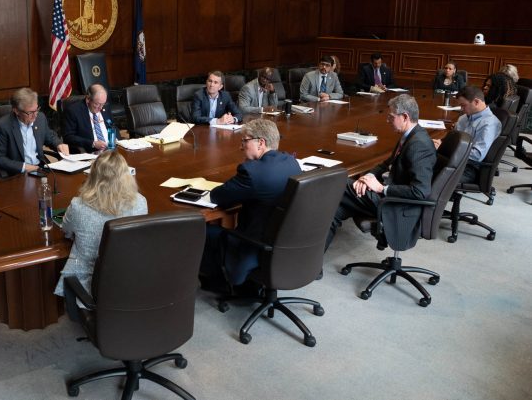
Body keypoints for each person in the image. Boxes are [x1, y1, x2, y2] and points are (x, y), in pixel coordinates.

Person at [326, 94, 436, 251]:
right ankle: (313, 265)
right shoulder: (410, 135)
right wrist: (368, 176)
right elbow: (386, 164)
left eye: (391, 117)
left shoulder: (419, 145)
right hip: (389, 195)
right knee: (336, 209)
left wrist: (380, 188)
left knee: (339, 182)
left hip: (396, 205)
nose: (387, 120)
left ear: (405, 117)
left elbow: (420, 191)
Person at [200, 119, 301, 289]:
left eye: (244, 141)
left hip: (254, 245)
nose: (241, 147)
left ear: (260, 143)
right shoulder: (291, 162)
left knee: (205, 230)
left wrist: (249, 167)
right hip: (284, 243)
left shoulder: (252, 172)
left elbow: (217, 196)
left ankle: (220, 283)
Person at [54, 151, 147, 298]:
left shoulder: (78, 206)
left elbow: (66, 229)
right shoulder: (140, 202)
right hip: (130, 276)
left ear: (93, 176)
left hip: (89, 282)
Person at [0, 87, 69, 175]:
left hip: (40, 168)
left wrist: (59, 144)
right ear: (16, 111)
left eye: (36, 110)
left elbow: (49, 136)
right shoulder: (2, 126)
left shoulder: (40, 118)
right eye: (30, 113)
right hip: (18, 173)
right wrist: (24, 167)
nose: (35, 115)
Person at [433, 86, 501, 183]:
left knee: (424, 170)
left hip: (468, 168)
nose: (461, 109)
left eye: (463, 105)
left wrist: (446, 148)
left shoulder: (489, 124)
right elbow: (454, 140)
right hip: (453, 160)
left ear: (476, 102)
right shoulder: (464, 118)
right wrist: (441, 142)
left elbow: (477, 155)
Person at [63, 84, 115, 153]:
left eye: (103, 104)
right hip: (91, 152)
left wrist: (115, 139)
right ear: (88, 99)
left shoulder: (105, 107)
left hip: (111, 149)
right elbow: (69, 137)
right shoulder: (73, 111)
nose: (101, 108)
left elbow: (112, 125)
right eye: (97, 104)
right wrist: (92, 143)